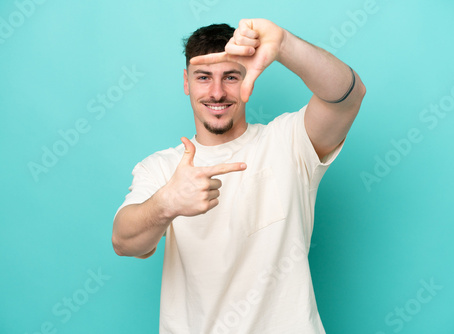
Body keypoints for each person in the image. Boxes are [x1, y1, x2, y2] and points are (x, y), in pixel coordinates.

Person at [112, 18, 366, 333]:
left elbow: (348, 96)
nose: (217, 93)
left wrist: (285, 44)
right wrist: (167, 202)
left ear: (248, 77)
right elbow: (124, 242)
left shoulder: (288, 141)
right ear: (186, 82)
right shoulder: (162, 168)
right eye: (203, 77)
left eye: (230, 76)